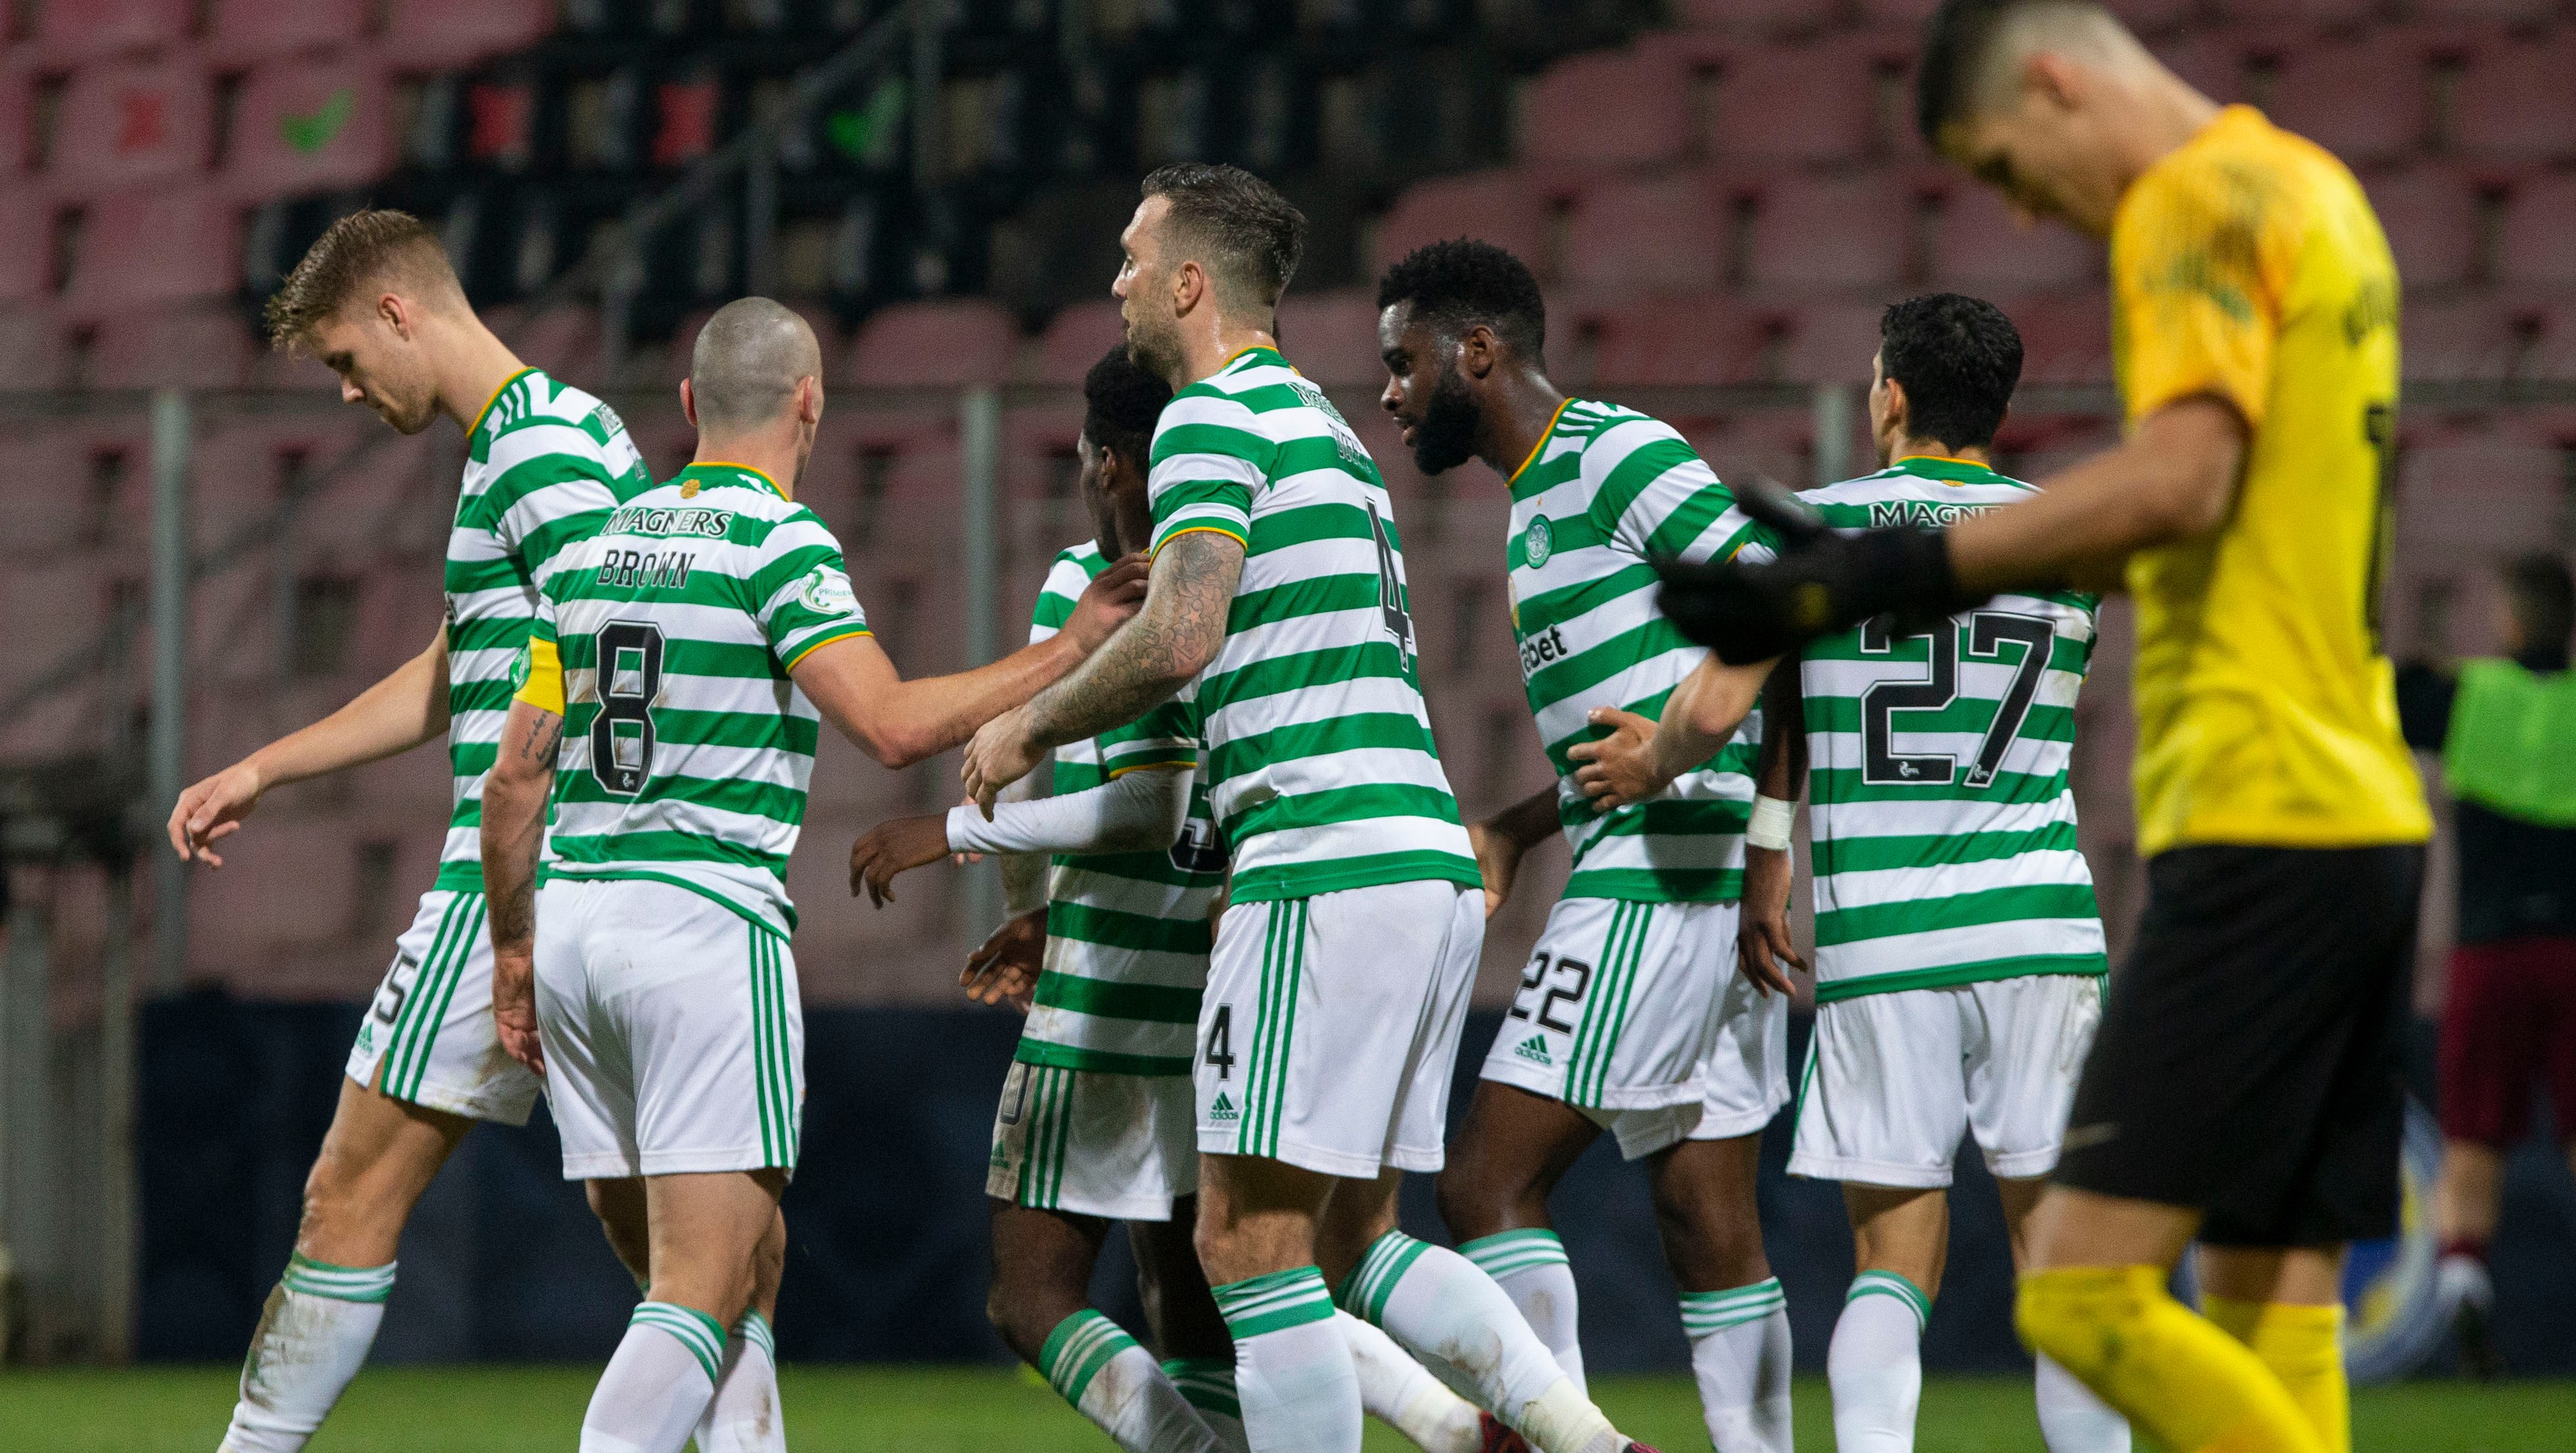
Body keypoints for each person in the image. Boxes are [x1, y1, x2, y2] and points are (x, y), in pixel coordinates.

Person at [1645, 5, 2435, 1451]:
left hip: (2246, 812)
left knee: (2074, 1292)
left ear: (2056, 83)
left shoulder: (2190, 203)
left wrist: (1886, 568)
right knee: (2273, 1298)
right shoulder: (2324, 198)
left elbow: (2182, 480)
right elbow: (2224, 523)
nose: (2024, 208)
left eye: (2009, 166)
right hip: (2355, 812)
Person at [959, 164, 1654, 1453]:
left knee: (1247, 1243)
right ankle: (1582, 1439)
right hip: (1418, 857)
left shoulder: (1208, 419)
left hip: (1321, 861)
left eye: (1131, 258)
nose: (1114, 282)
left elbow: (1180, 633)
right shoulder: (1328, 430)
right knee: (1355, 1238)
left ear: (1189, 282)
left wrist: (1027, 723)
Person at [475, 298, 1142, 1453]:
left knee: (752, 1257)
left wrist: (514, 951)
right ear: (811, 403)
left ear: (689, 404)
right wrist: (1071, 646)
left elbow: (509, 784)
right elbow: (890, 725)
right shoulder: (777, 543)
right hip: (697, 928)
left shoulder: (586, 553)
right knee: (697, 1285)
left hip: (574, 928)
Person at [850, 345, 1512, 1453]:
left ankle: (1440, 1427)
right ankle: (1461, 1421)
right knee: (1219, 1289)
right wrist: (1027, 908)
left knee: (1033, 1293)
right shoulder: (1261, 557)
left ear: (1105, 460)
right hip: (1226, 980)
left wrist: (962, 838)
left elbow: (1132, 798)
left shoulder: (1110, 591)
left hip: (1116, 987)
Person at [1590, 295, 2130, 1453]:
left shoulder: (1817, 531)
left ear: (1887, 394)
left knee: (1890, 1266)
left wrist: (1652, 760)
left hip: (1881, 938)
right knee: (2062, 1266)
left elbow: (1717, 708)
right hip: (2037, 926)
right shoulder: (2063, 534)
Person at [164, 208, 655, 1453]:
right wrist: (266, 766)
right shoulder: (565, 432)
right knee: (667, 1236)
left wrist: (514, 884)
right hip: (612, 874)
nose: (345, 391)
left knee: (347, 1190)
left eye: (344, 358)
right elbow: (457, 672)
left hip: (522, 875)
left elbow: (595, 652)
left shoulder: (531, 453)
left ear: (397, 312)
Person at [1372, 237, 1794, 1453]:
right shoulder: (1533, 507)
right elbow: (1628, 729)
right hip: (1685, 868)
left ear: (1477, 351)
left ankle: (1564, 1445)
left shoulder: (1611, 452)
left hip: (1660, 872)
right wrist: (1518, 824)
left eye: (1403, 363)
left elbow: (1783, 606)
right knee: (1706, 1219)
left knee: (1484, 1182)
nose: (1391, 394)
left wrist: (1751, 834)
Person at [2397, 554, 2576, 1377]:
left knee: (2471, 1136)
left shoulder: (2469, 695)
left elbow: (2381, 692)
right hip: (2571, 951)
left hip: (2488, 951)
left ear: (2509, 620)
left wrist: (2422, 650)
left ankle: (2465, 1280)